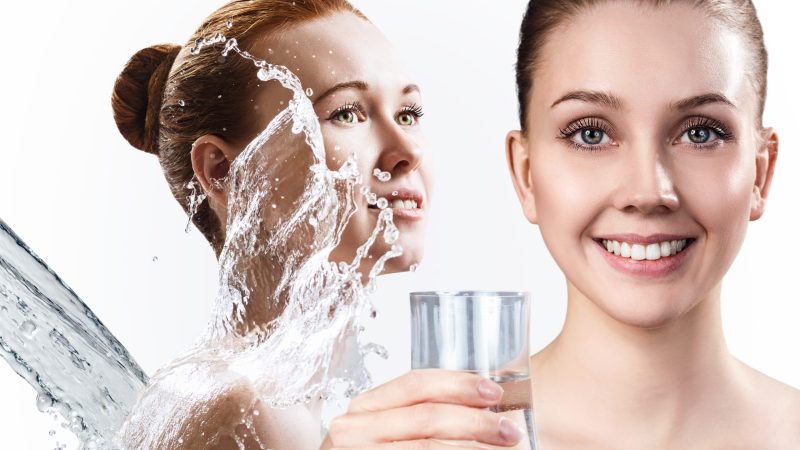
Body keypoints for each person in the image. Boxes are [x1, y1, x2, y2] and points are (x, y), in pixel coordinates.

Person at [323, 1, 800, 449]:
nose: (647, 192)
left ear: (760, 172)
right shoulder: (410, 440)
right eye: (591, 134)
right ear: (525, 175)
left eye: (701, 133)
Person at [110, 0, 434, 448]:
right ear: (225, 172)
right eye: (345, 113)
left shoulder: (230, 392)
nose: (408, 150)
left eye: (408, 114)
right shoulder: (252, 414)